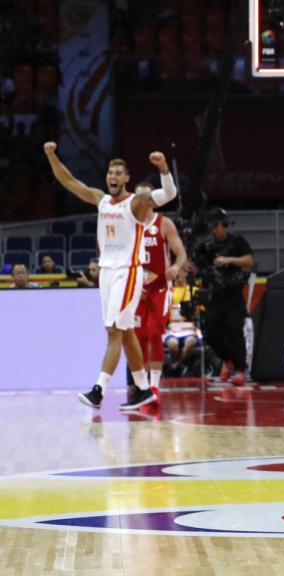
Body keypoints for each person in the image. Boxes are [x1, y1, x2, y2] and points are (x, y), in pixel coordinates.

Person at [44, 141, 176, 410]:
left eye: (118, 174)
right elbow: (68, 181)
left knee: (114, 331)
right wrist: (51, 156)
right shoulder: (101, 200)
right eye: (110, 173)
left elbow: (170, 194)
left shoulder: (136, 203)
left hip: (127, 271)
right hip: (106, 272)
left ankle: (99, 390)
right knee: (126, 331)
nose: (113, 177)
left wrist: (163, 168)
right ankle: (142, 389)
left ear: (127, 178)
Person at [131, 181, 188, 399]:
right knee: (138, 337)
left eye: (147, 197)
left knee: (154, 332)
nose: (143, 201)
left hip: (160, 288)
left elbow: (181, 254)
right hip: (136, 289)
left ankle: (154, 384)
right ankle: (142, 384)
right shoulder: (129, 225)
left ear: (154, 200)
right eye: (139, 197)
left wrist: (175, 267)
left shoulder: (164, 224)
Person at [195, 207, 254, 386]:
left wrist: (229, 260)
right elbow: (200, 265)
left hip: (234, 294)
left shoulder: (237, 241)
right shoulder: (205, 245)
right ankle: (225, 359)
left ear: (224, 225)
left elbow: (249, 261)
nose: (214, 230)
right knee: (210, 332)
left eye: (216, 226)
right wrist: (192, 268)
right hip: (215, 294)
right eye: (211, 227)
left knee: (234, 330)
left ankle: (240, 369)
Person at [164, 268, 203, 375]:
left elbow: (201, 309)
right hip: (172, 328)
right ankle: (179, 364)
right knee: (172, 345)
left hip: (189, 328)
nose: (181, 274)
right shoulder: (169, 291)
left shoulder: (193, 290)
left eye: (184, 271)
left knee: (190, 343)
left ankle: (176, 365)